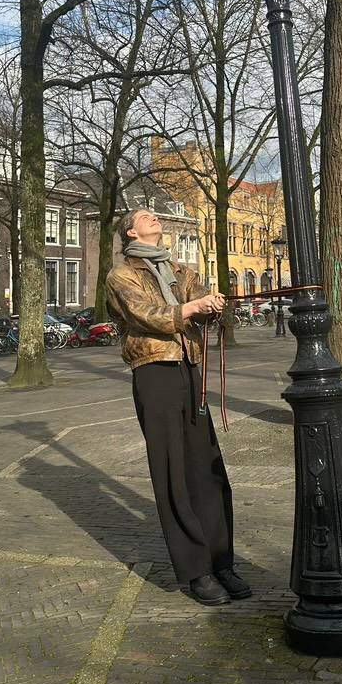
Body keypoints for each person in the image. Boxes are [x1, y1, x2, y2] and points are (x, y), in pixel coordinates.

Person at [105, 207, 251, 606]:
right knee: (173, 471)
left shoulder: (179, 271)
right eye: (145, 215)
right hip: (154, 371)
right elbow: (144, 314)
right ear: (131, 231)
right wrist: (190, 309)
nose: (154, 217)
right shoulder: (122, 275)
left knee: (207, 467)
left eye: (155, 214)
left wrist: (212, 304)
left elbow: (199, 299)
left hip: (190, 367)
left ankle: (222, 561)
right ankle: (196, 571)